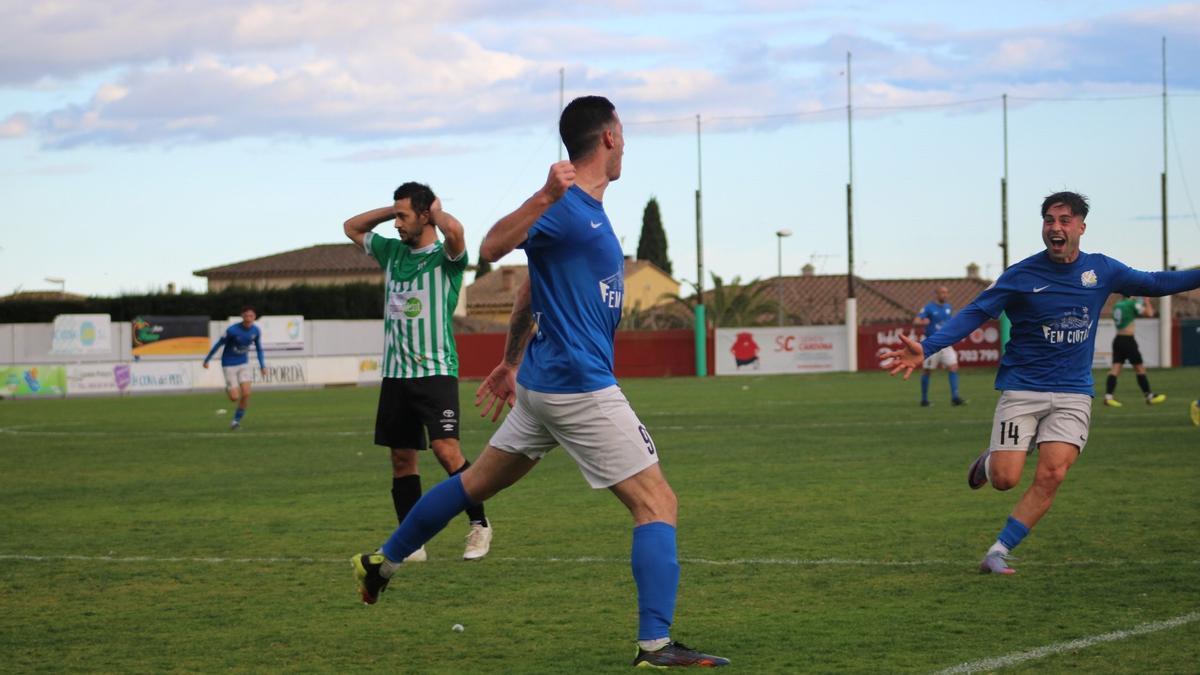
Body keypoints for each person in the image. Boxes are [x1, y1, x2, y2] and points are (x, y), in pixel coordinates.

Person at [351, 96, 729, 668]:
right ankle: (655, 645)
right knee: (658, 504)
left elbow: (529, 288)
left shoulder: (590, 210)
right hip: (579, 384)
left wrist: (508, 363)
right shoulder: (566, 204)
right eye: (622, 134)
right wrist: (546, 195)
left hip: (543, 381)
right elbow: (490, 246)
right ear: (608, 136)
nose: (625, 144)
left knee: (475, 483)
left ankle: (383, 561)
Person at [882, 191, 1200, 575]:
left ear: (1081, 227)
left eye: (1065, 220)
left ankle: (998, 550)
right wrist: (928, 347)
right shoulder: (1021, 275)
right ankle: (990, 460)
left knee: (1052, 474)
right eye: (1049, 220)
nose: (1056, 227)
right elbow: (976, 312)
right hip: (1022, 388)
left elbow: (1155, 281)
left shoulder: (1103, 271)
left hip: (1074, 392)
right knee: (1005, 479)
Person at [343, 182, 492, 562]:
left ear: (426, 216)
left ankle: (479, 525)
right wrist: (393, 210)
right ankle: (411, 542)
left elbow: (456, 232)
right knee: (401, 459)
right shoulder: (392, 251)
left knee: (446, 450)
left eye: (404, 217)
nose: (396, 225)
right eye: (396, 216)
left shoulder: (446, 258)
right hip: (396, 374)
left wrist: (435, 211)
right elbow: (352, 227)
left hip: (435, 372)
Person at [203, 306, 266, 430]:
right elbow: (218, 344)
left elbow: (259, 348)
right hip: (229, 364)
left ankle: (235, 421)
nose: (249, 319)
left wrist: (262, 366)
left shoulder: (256, 331)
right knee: (234, 398)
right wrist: (207, 359)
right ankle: (229, 388)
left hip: (243, 363)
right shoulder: (232, 331)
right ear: (242, 316)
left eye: (251, 316)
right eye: (246, 316)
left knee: (247, 393)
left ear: (254, 317)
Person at [1102, 295, 1166, 407]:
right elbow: (1150, 313)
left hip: (1118, 339)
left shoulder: (1117, 304)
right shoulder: (1131, 304)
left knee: (1115, 370)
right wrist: (1146, 301)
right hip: (1128, 340)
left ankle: (1108, 397)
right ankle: (1149, 396)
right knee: (1140, 369)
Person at [913, 285, 966, 407]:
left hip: (945, 343)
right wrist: (922, 321)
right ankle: (924, 400)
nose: (945, 295)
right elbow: (916, 321)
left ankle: (955, 397)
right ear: (936, 294)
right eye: (942, 292)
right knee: (927, 371)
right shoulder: (928, 307)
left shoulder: (948, 307)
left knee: (953, 366)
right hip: (931, 342)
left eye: (946, 292)